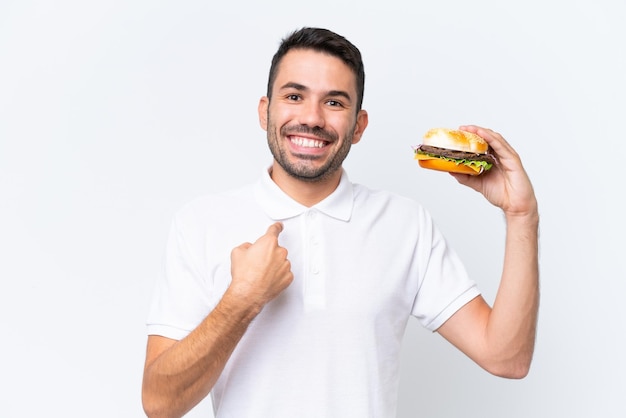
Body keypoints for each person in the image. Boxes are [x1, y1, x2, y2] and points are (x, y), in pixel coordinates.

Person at [141, 27, 539, 418]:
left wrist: (521, 215)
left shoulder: (405, 224)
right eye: (294, 96)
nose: (312, 118)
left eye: (334, 103)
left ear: (359, 125)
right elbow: (159, 404)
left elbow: (506, 358)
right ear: (266, 112)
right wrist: (241, 300)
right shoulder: (200, 223)